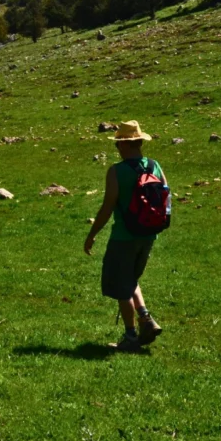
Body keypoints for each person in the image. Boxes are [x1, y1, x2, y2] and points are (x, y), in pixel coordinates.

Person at [84, 120, 168, 353]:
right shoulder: (154, 166)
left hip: (124, 235)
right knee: (130, 278)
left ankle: (131, 337)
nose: (116, 149)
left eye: (118, 144)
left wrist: (92, 234)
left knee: (122, 286)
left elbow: (108, 206)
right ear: (140, 142)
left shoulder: (116, 171)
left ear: (124, 144)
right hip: (149, 234)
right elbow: (165, 197)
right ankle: (145, 319)